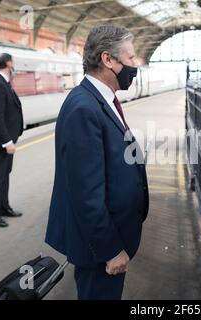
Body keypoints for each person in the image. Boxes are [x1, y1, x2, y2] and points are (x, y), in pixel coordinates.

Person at [45, 25, 149, 300]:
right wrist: (111, 250)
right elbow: (85, 193)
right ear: (108, 60)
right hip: (100, 251)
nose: (134, 65)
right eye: (130, 58)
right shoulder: (83, 108)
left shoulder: (100, 101)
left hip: (109, 239)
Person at [0, 53, 24, 228]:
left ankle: (4, 207)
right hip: (1, 140)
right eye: (13, 62)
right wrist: (7, 141)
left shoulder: (1, 82)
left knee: (5, 174)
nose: (13, 65)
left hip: (6, 138)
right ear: (8, 64)